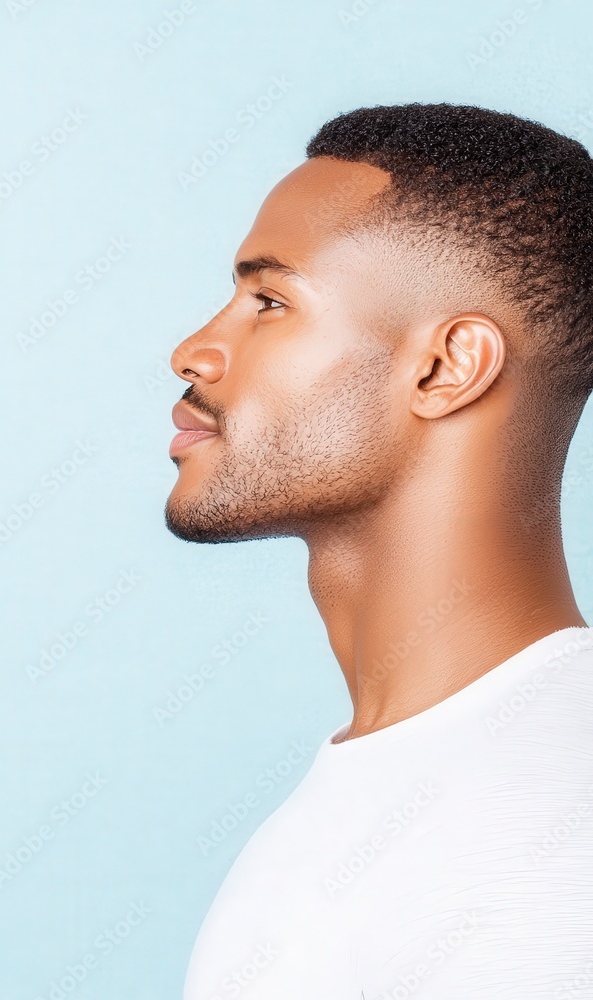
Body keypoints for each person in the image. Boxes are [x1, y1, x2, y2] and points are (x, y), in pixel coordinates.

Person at [164, 103, 593, 998]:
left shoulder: (554, 840)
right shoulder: (353, 804)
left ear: (445, 368)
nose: (194, 351)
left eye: (270, 301)